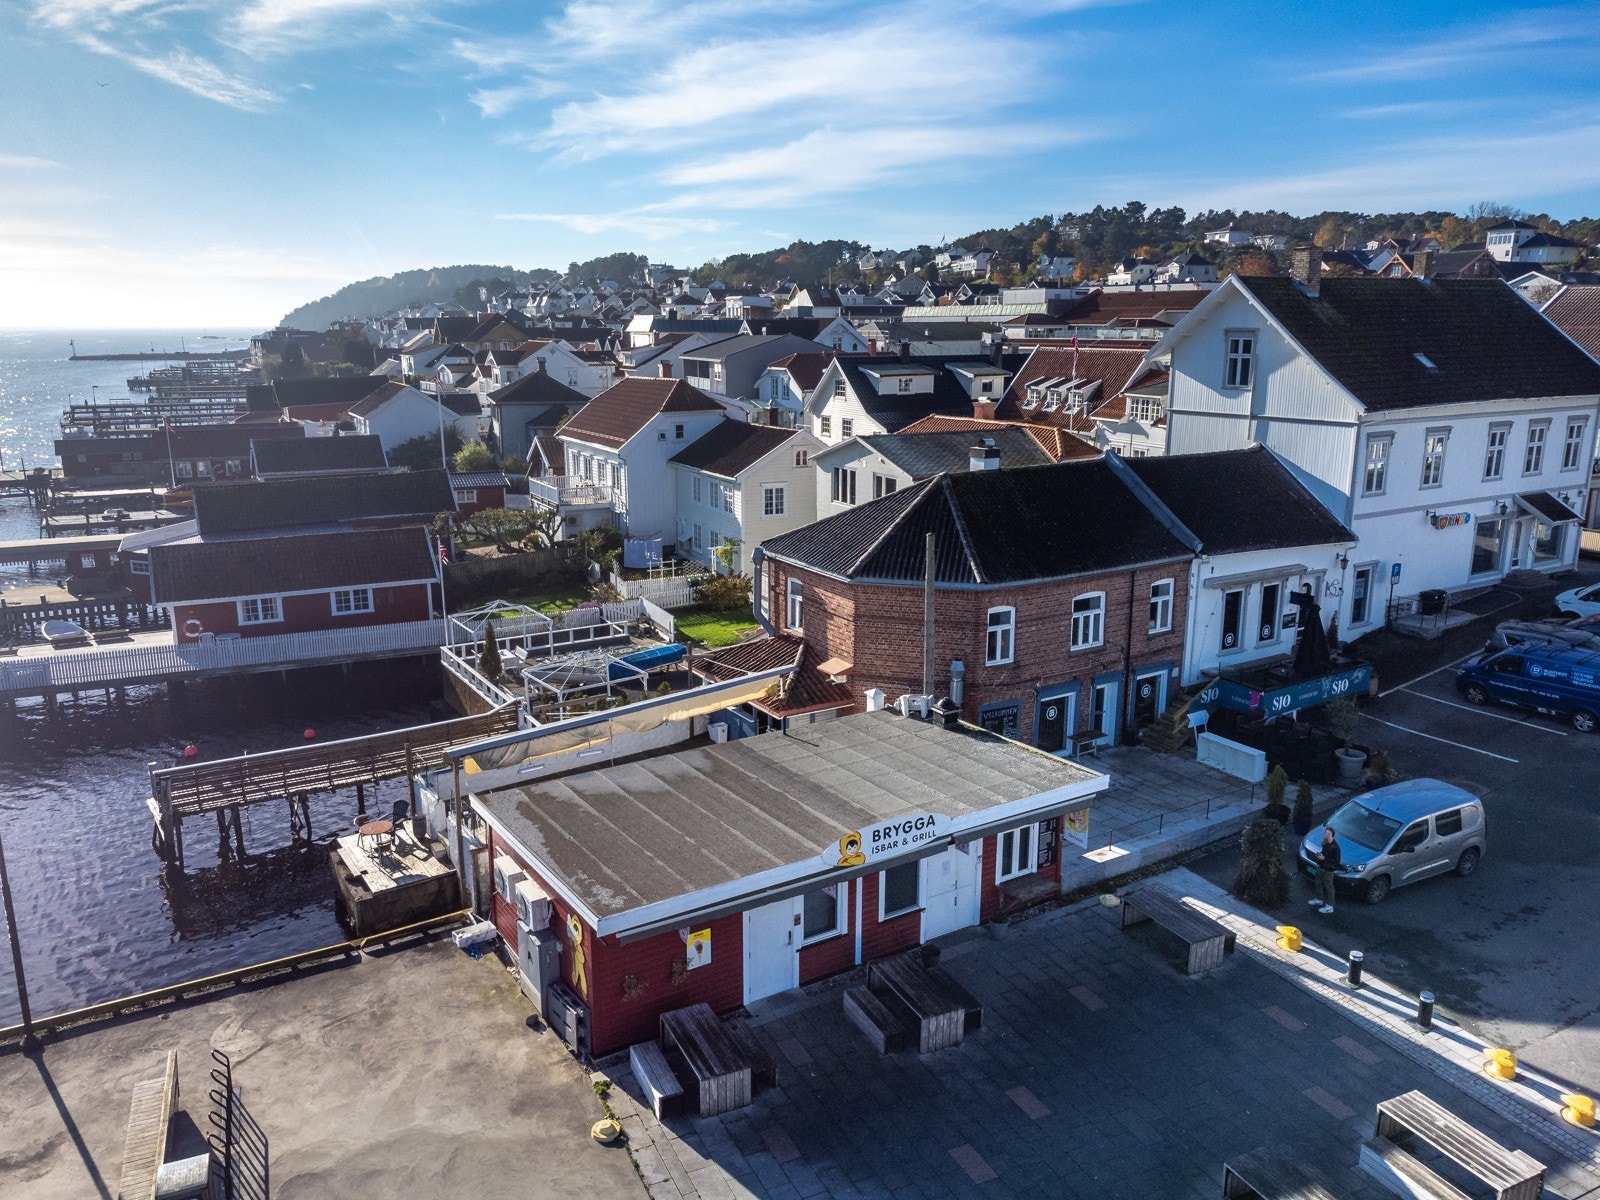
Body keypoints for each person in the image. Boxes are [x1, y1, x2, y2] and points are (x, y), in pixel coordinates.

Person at [1309, 826, 1341, 914]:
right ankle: (1319, 899)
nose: (1326, 835)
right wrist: (1319, 856)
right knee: (1318, 883)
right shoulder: (1325, 843)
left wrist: (1324, 858)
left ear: (1332, 835)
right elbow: (1324, 853)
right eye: (1326, 833)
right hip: (1321, 867)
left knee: (1329, 887)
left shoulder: (1336, 847)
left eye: (1328, 834)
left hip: (1328, 869)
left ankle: (1330, 906)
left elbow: (1337, 861)